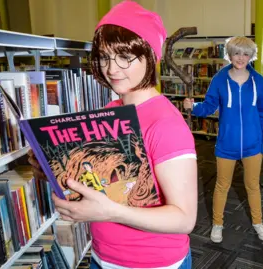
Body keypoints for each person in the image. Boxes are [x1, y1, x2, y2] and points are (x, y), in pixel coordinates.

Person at [28, 1, 198, 268]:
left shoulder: (166, 124)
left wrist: (110, 212)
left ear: (151, 56)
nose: (111, 69)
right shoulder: (112, 110)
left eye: (124, 57)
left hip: (153, 262)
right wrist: (53, 171)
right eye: (105, 57)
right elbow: (107, 184)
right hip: (103, 256)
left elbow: (184, 219)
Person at [183, 36, 263, 243]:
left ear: (251, 56)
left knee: (253, 186)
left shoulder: (258, 80)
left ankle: (258, 222)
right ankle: (217, 223)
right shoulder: (219, 79)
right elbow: (209, 106)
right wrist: (193, 107)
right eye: (236, 53)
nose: (241, 58)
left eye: (245, 54)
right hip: (226, 144)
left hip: (253, 145)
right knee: (222, 185)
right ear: (230, 54)